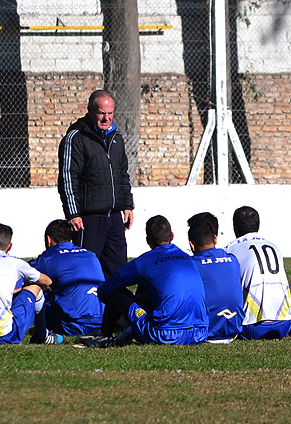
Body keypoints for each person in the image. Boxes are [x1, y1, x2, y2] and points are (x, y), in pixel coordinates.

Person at [92, 215, 207, 346]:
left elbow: (106, 289)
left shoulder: (144, 261)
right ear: (172, 236)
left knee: (116, 291)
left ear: (148, 241)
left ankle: (104, 333)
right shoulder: (188, 258)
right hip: (199, 333)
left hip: (164, 334)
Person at [57, 88, 135, 277]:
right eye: (101, 113)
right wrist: (73, 213)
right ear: (91, 111)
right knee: (86, 274)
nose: (106, 118)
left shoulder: (117, 137)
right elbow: (68, 177)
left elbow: (122, 174)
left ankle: (115, 308)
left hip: (114, 218)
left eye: (110, 113)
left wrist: (127, 205)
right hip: (88, 221)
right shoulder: (75, 138)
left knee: (117, 274)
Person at [224, 205, 291, 340]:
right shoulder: (274, 246)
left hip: (252, 328)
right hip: (285, 324)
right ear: (258, 226)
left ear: (234, 227)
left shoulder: (230, 249)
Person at [31, 219, 106, 340]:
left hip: (72, 325)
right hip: (102, 322)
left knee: (34, 289)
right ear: (71, 240)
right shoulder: (90, 254)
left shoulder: (48, 257)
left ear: (49, 239)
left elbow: (25, 274)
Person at [187, 213, 245, 343]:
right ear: (215, 238)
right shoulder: (233, 260)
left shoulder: (191, 265)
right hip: (234, 328)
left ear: (192, 244)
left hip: (205, 330)